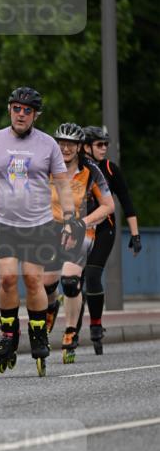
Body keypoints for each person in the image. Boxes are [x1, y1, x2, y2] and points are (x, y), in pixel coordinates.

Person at [0, 86, 78, 377]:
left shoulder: (48, 145)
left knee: (32, 279)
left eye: (27, 110)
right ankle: (9, 335)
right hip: (3, 223)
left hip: (38, 225)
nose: (20, 114)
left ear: (35, 115)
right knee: (6, 279)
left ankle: (39, 335)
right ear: (9, 110)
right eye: (16, 108)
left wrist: (68, 217)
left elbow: (63, 184)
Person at [42, 123, 114, 363]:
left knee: (71, 282)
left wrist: (83, 222)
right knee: (46, 283)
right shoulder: (46, 167)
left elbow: (108, 206)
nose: (65, 148)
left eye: (70, 144)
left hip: (80, 231)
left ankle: (71, 330)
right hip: (51, 228)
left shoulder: (91, 170)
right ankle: (51, 306)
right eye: (61, 143)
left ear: (79, 147)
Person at [78, 125, 142, 353]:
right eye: (99, 144)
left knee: (93, 276)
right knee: (75, 281)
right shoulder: (76, 168)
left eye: (106, 144)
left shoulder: (110, 169)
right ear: (86, 147)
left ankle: (96, 325)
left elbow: (126, 202)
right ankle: (72, 329)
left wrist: (135, 235)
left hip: (106, 229)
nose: (104, 148)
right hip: (80, 230)